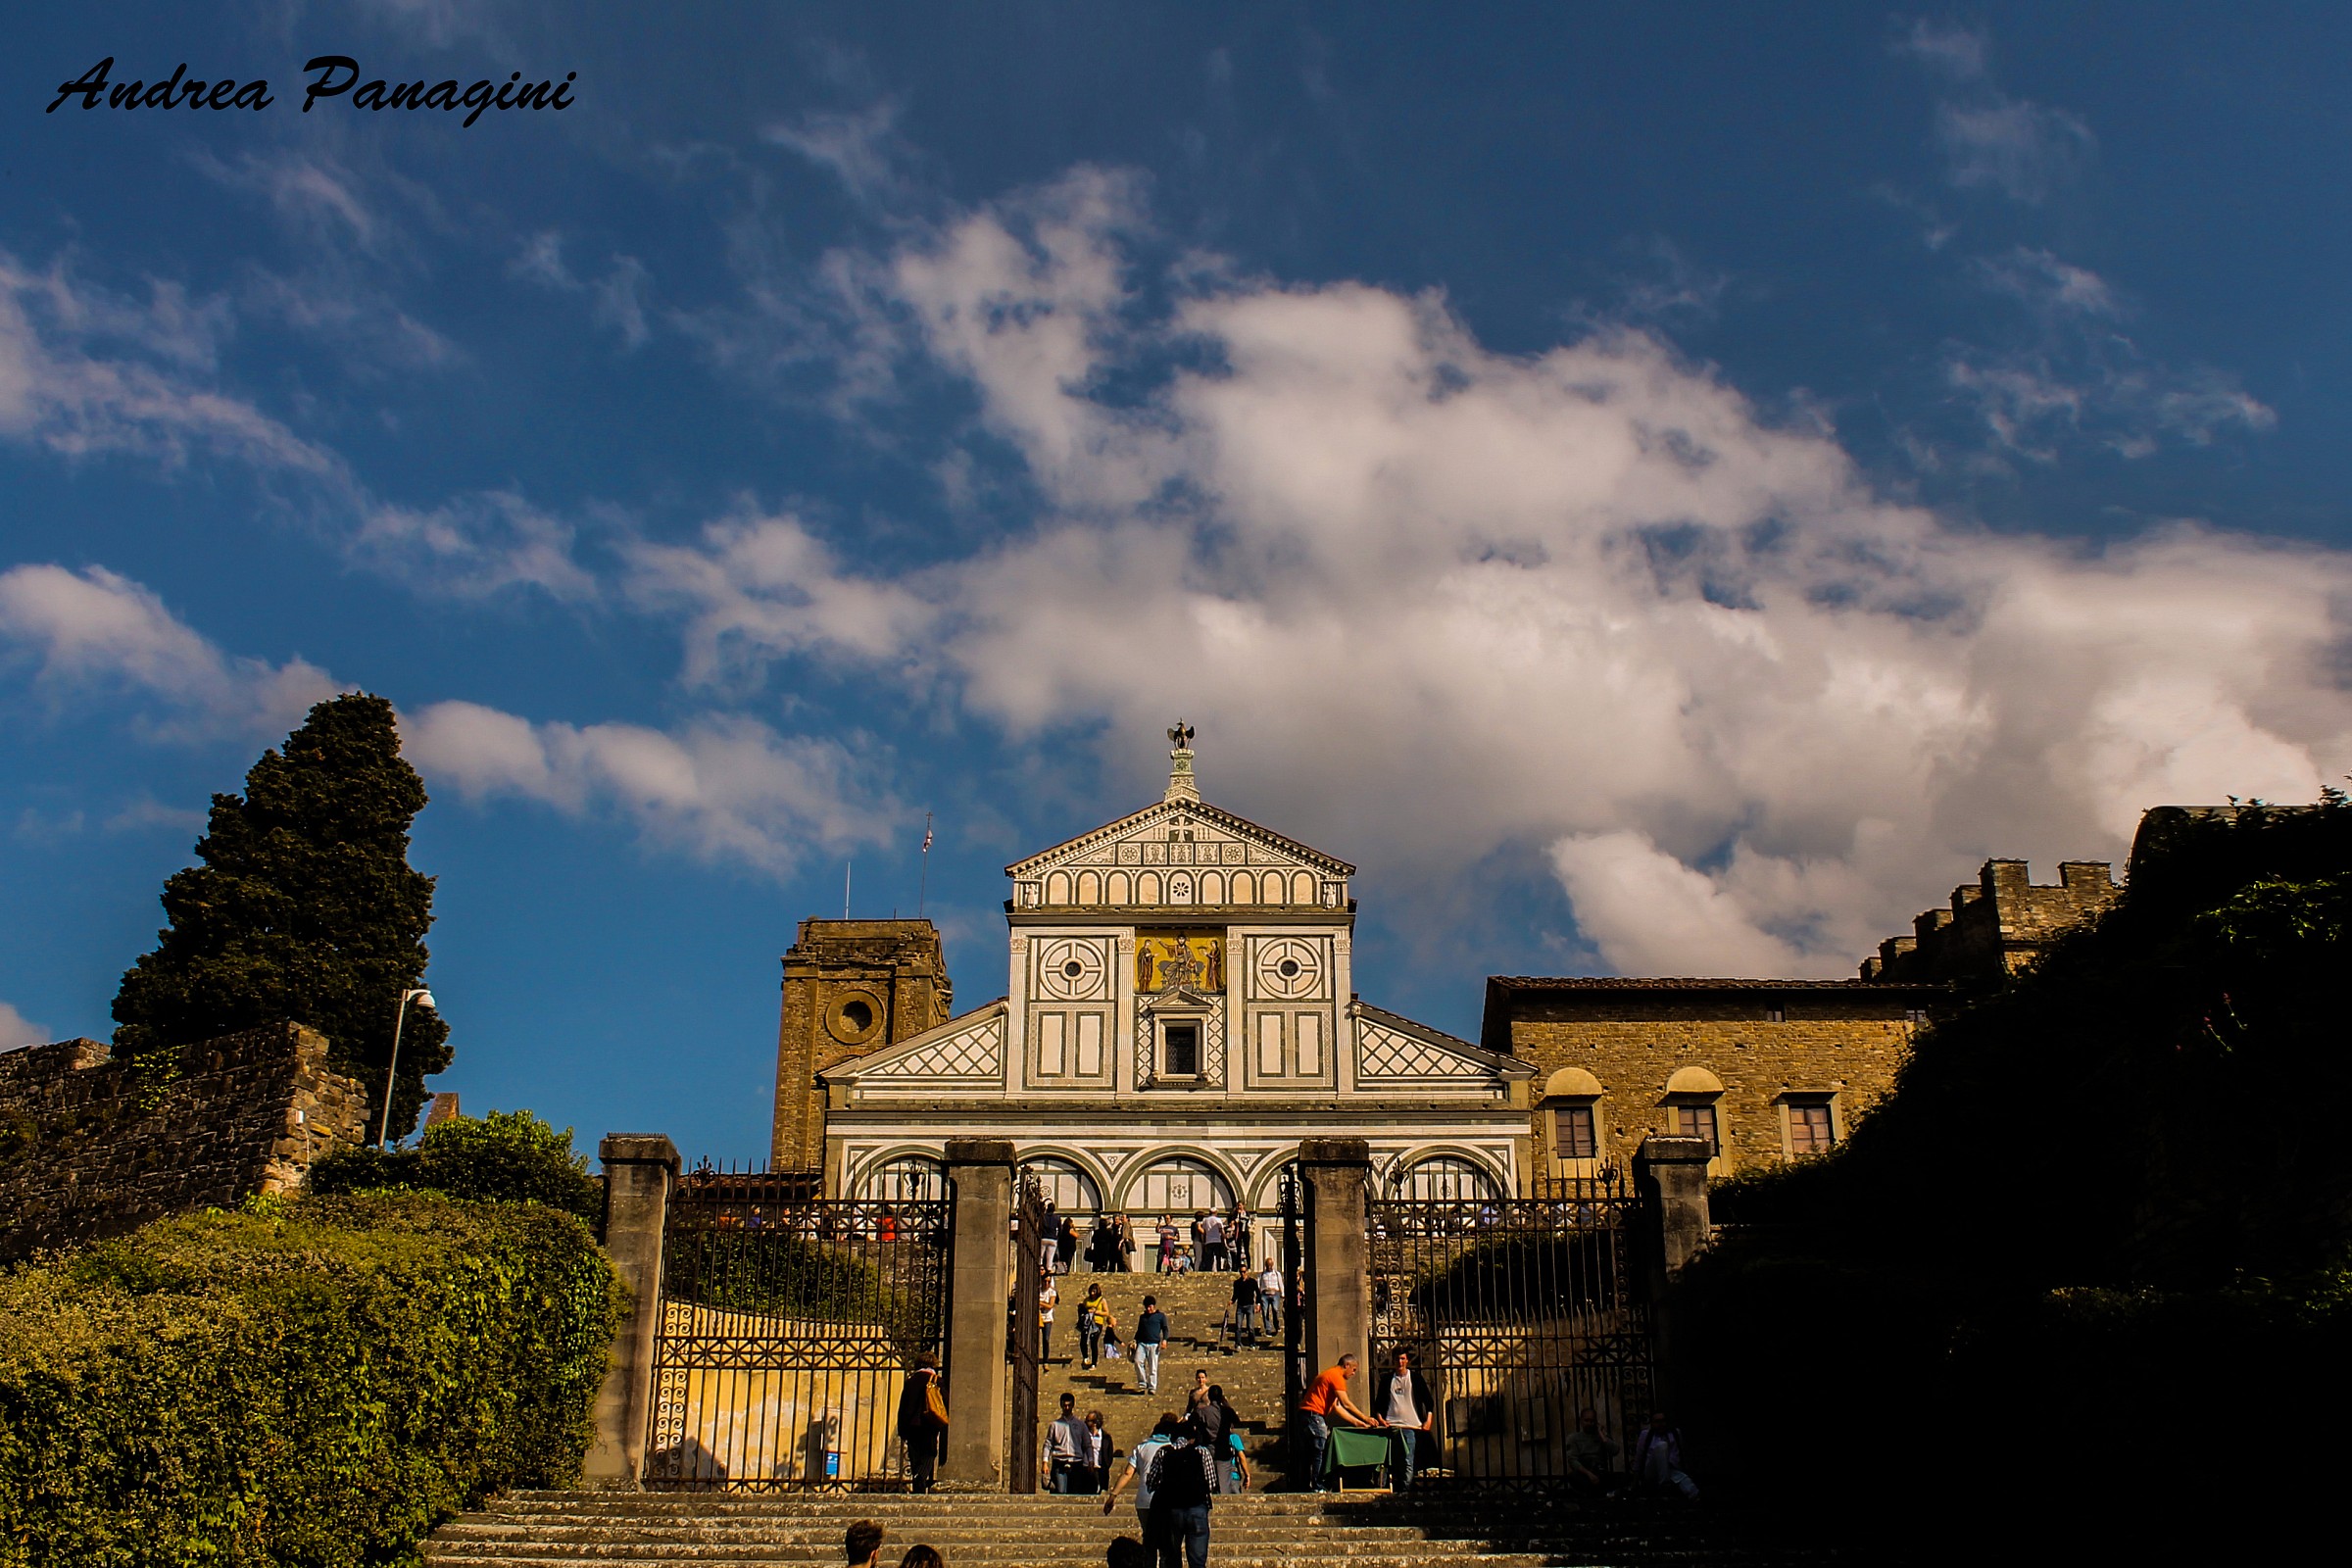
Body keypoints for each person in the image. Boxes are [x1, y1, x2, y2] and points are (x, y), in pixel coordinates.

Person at [1142, 1413, 1220, 1568]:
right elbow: (1211, 1484)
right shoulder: (1202, 1452)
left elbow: (1151, 1482)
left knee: (1172, 1558)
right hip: (1197, 1507)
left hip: (1171, 1510)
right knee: (1197, 1561)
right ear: (1192, 1437)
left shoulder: (1163, 1452)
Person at [1297, 1353, 1377, 1492]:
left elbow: (1336, 1407)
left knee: (1309, 1453)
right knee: (1319, 1450)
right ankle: (1317, 1485)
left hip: (1306, 1415)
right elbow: (1346, 1403)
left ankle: (1305, 1485)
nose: (1354, 1373)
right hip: (1314, 1415)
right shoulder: (1336, 1376)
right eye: (1354, 1369)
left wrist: (1357, 1423)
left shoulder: (1328, 1375)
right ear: (1347, 1365)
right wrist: (1366, 1418)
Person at [1369, 1347, 1434, 1493]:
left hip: (1411, 1426)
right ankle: (1383, 1488)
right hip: (1391, 1426)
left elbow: (1428, 1401)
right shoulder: (1387, 1380)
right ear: (1393, 1360)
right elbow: (1378, 1404)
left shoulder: (1416, 1378)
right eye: (1397, 1359)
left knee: (1408, 1460)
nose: (1400, 1361)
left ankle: (1405, 1490)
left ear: (1407, 1360)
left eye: (1403, 1358)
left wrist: (1428, 1420)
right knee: (1385, 1460)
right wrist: (1380, 1419)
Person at [1102, 1412, 1181, 1525]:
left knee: (1148, 1537)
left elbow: (1128, 1473)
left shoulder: (1141, 1447)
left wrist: (1113, 1495)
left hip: (1144, 1500)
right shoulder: (1175, 1447)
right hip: (1167, 1500)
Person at [896, 1353, 948, 1494]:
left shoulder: (910, 1381)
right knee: (929, 1453)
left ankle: (917, 1482)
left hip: (911, 1425)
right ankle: (921, 1477)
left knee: (915, 1455)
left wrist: (901, 1428)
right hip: (929, 1424)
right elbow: (945, 1403)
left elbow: (903, 1406)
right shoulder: (936, 1380)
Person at [1633, 1411, 1698, 1500]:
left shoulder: (1675, 1433)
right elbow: (1639, 1457)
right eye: (1657, 1422)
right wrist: (1636, 1480)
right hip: (1651, 1470)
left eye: (1663, 1421)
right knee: (1662, 1446)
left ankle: (1694, 1495)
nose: (1660, 1424)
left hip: (1671, 1468)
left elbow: (1680, 1452)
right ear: (1652, 1423)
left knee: (1683, 1479)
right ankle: (1665, 1485)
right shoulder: (1646, 1435)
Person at [1565, 1407, 1618, 1500]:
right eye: (1586, 1420)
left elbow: (1615, 1451)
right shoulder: (1574, 1438)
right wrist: (1589, 1474)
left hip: (1600, 1471)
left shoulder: (1601, 1436)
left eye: (1592, 1421)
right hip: (1584, 1473)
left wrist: (1603, 1436)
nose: (1589, 1423)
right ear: (1581, 1421)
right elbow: (1572, 1460)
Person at [1204, 1384, 1248, 1494]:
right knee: (1225, 1486)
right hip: (1224, 1451)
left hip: (1208, 1450)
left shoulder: (1202, 1411)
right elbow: (1236, 1421)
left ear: (1209, 1397)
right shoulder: (1228, 1411)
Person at [1046, 1392, 1091, 1494]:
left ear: (1073, 1405)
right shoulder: (1055, 1425)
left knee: (1075, 1491)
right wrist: (1045, 1461)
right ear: (1061, 1405)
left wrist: (1090, 1460)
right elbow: (1048, 1444)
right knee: (1061, 1490)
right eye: (1065, 1405)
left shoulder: (1080, 1425)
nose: (1067, 1408)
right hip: (1059, 1460)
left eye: (1069, 1405)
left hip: (1076, 1461)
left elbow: (1087, 1444)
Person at [1133, 1294, 1169, 1395]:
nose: (1148, 1309)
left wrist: (1165, 1340)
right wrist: (1135, 1340)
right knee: (1137, 1361)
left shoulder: (1160, 1316)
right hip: (1142, 1343)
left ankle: (1152, 1386)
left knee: (1153, 1366)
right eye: (1147, 1307)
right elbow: (1139, 1330)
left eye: (1150, 1306)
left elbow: (1165, 1329)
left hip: (1154, 1344)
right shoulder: (1142, 1317)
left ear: (1154, 1306)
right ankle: (1142, 1383)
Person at [1077, 1283, 1112, 1369]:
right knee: (1083, 1341)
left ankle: (1094, 1363)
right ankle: (1085, 1357)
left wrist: (1096, 1312)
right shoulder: (1086, 1300)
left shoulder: (1102, 1300)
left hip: (1097, 1323)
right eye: (1091, 1291)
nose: (1092, 1293)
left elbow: (1106, 1312)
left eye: (1094, 1291)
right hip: (1087, 1322)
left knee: (1093, 1342)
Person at [1085, 1408, 1116, 1494]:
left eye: (1089, 1421)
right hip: (1087, 1469)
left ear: (1095, 1422)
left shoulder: (1106, 1437)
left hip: (1101, 1470)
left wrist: (1106, 1465)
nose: (1086, 1423)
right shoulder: (1084, 1436)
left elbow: (1109, 1454)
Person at [1229, 1267, 1258, 1345]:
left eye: (1244, 1272)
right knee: (1238, 1327)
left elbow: (1258, 1293)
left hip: (1249, 1306)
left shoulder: (1252, 1282)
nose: (1243, 1274)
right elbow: (1235, 1294)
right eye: (1241, 1272)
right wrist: (1232, 1301)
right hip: (1240, 1307)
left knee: (1250, 1327)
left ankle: (1252, 1343)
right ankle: (1238, 1343)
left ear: (1247, 1272)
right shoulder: (1237, 1283)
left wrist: (1258, 1304)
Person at [1255, 1261, 1283, 1340]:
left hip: (1275, 1293)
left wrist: (1282, 1293)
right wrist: (1258, 1297)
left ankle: (1276, 1325)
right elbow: (1258, 1286)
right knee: (1265, 1312)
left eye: (1270, 1265)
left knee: (1275, 1309)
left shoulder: (1277, 1274)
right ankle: (1268, 1329)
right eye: (1268, 1265)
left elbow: (1280, 1283)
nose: (1269, 1266)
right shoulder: (1261, 1275)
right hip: (1265, 1294)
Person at [1040, 1276, 1059, 1363]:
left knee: (1046, 1339)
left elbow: (1050, 1305)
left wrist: (1039, 1302)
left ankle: (1045, 1360)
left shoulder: (1052, 1292)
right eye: (1045, 1281)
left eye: (1048, 1282)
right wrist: (1045, 1304)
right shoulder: (1038, 1290)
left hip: (1047, 1318)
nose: (1046, 1284)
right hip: (1038, 1317)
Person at [1231, 1206, 1252, 1272]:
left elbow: (1247, 1220)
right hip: (1239, 1233)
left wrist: (1240, 1217)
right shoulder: (1235, 1214)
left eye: (1240, 1205)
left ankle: (1249, 1266)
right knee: (1238, 1250)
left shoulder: (1246, 1213)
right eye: (1238, 1206)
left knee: (1246, 1250)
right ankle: (1238, 1266)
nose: (1239, 1207)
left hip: (1245, 1232)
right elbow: (1232, 1221)